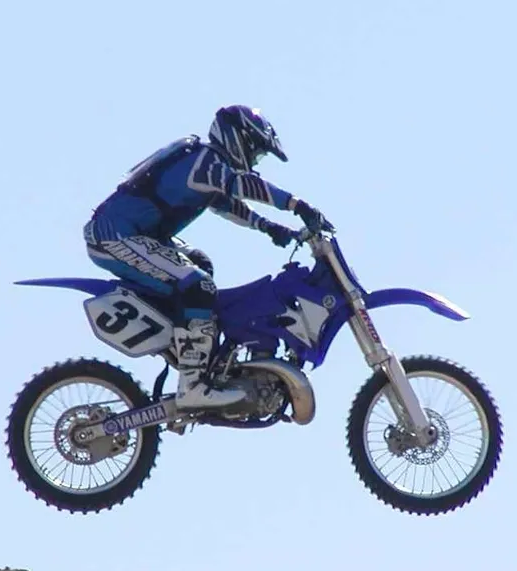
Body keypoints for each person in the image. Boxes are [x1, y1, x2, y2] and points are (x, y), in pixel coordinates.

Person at [83, 105, 331, 409]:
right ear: (240, 139)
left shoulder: (206, 165)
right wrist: (297, 205)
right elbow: (241, 187)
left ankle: (194, 355)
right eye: (256, 153)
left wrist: (269, 227)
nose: (254, 161)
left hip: (140, 236)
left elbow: (225, 203)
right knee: (198, 287)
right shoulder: (204, 159)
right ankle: (193, 385)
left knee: (200, 266)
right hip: (114, 235)